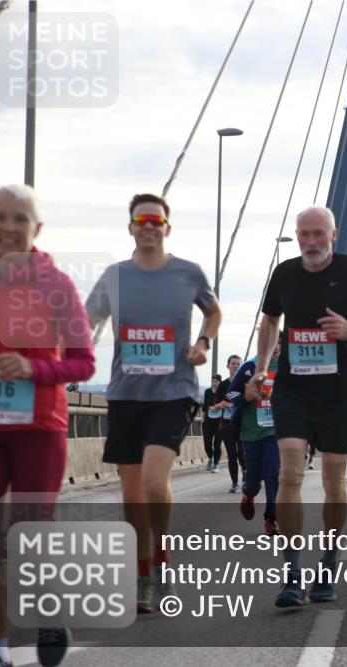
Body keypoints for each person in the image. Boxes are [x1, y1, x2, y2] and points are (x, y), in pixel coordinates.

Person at [0, 185, 96, 667]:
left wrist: (32, 369)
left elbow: (83, 364)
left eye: (19, 219)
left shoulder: (57, 285)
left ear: (36, 229)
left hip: (40, 427)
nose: (8, 227)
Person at [247, 206, 347, 607]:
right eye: (303, 235)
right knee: (289, 476)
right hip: (293, 389)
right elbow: (270, 321)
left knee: (333, 482)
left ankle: (328, 564)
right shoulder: (286, 273)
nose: (310, 242)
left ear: (334, 234)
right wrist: (261, 369)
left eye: (318, 234)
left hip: (338, 393)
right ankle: (292, 573)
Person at [86, 192, 222, 614]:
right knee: (131, 496)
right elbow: (89, 322)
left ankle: (162, 561)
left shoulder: (187, 273)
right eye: (141, 219)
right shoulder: (114, 276)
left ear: (167, 227)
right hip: (126, 394)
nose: (148, 225)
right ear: (130, 228)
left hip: (174, 392)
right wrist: (74, 353)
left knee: (151, 483)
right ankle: (142, 573)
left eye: (156, 220)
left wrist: (202, 342)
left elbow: (213, 312)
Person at [228, 335, 281, 536]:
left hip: (274, 431)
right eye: (271, 341)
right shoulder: (250, 366)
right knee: (253, 480)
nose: (275, 346)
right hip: (250, 431)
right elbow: (231, 394)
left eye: (278, 343)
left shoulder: (286, 366)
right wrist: (247, 397)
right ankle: (248, 495)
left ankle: (270, 518)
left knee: (273, 473)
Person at [212, 355, 244, 490]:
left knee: (243, 455)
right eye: (233, 364)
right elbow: (215, 406)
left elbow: (249, 402)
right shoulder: (223, 385)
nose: (236, 366)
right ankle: (235, 483)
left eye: (238, 364)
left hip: (242, 424)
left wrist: (235, 405)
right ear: (228, 366)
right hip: (226, 425)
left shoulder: (245, 383)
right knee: (232, 455)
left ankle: (247, 480)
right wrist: (221, 405)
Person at [202, 374, 223, 471]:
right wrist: (203, 417)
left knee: (217, 443)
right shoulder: (207, 392)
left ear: (220, 382)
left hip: (219, 421)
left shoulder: (223, 392)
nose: (214, 383)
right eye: (213, 381)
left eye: (216, 381)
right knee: (207, 442)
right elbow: (205, 405)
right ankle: (211, 457)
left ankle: (216, 463)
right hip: (208, 420)